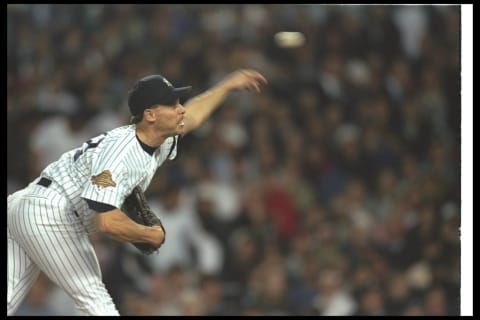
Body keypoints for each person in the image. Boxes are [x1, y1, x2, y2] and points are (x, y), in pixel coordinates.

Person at [7, 69, 268, 316]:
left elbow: (194, 116)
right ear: (150, 115)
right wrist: (149, 234)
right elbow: (106, 221)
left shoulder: (158, 139)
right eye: (172, 104)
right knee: (95, 300)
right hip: (51, 213)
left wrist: (226, 85)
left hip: (29, 206)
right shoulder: (121, 153)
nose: (180, 109)